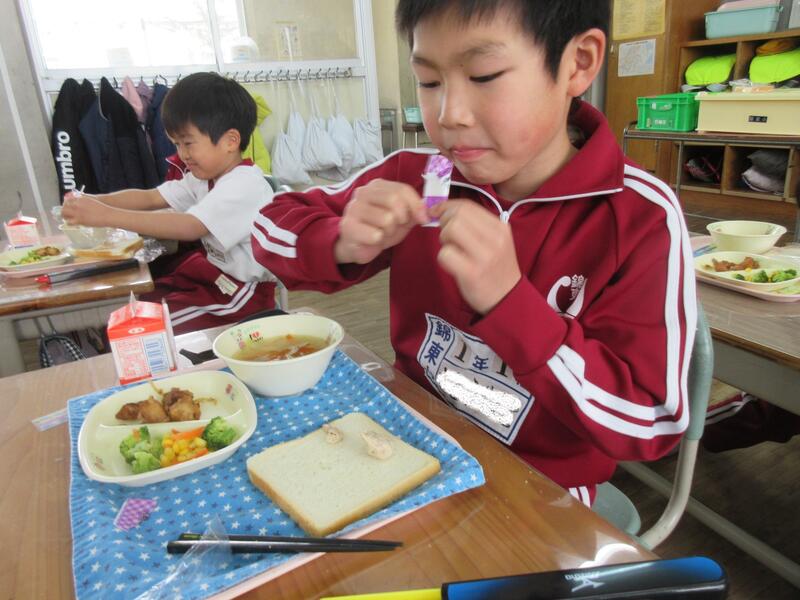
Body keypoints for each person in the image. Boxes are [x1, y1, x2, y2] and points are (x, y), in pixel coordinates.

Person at [250, 0, 697, 506]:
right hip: (409, 438)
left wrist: (511, 304)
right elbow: (268, 224)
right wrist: (339, 239)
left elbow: (650, 421)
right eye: (429, 81)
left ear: (578, 63)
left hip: (541, 485)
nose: (449, 115)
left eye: (484, 76)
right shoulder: (430, 178)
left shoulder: (636, 214)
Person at [62, 72, 277, 334]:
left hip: (244, 294)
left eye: (188, 143)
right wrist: (92, 200)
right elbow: (152, 197)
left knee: (152, 328)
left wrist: (104, 215)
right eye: (176, 144)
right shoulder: (203, 177)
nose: (182, 154)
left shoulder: (244, 183)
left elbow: (190, 226)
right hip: (216, 278)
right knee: (146, 305)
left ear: (231, 141)